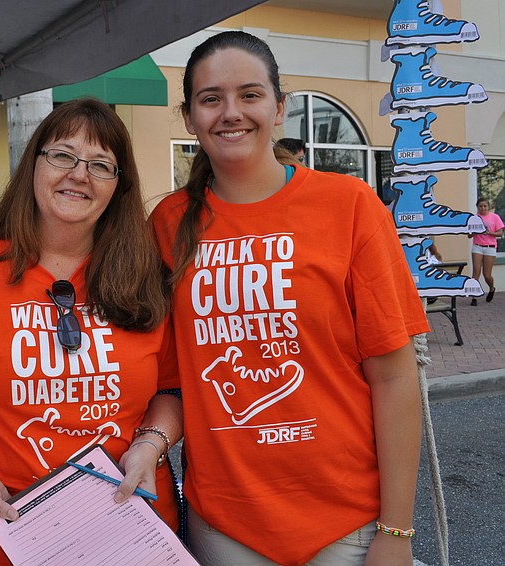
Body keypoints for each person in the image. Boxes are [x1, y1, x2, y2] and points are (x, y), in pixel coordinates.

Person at [149, 31, 429, 566]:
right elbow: (163, 373)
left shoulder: (348, 205)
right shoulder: (166, 225)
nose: (231, 112)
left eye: (249, 95)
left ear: (280, 107)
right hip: (227, 525)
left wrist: (397, 531)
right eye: (211, 99)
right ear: (189, 118)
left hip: (347, 522)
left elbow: (394, 376)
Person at [0, 98, 183, 565]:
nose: (79, 174)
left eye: (101, 164)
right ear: (34, 163)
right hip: (17, 532)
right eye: (63, 155)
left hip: (133, 530)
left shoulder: (144, 273)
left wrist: (150, 445)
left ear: (118, 187)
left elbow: (172, 388)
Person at [469, 197, 503, 306]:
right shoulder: (475, 218)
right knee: (476, 272)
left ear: (488, 207)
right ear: (477, 207)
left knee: (487, 274)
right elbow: (469, 235)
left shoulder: (495, 217)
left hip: (490, 247)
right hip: (477, 246)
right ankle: (474, 297)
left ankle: (491, 288)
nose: (483, 208)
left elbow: (500, 233)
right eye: (480, 206)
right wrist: (475, 231)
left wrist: (489, 232)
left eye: (485, 206)